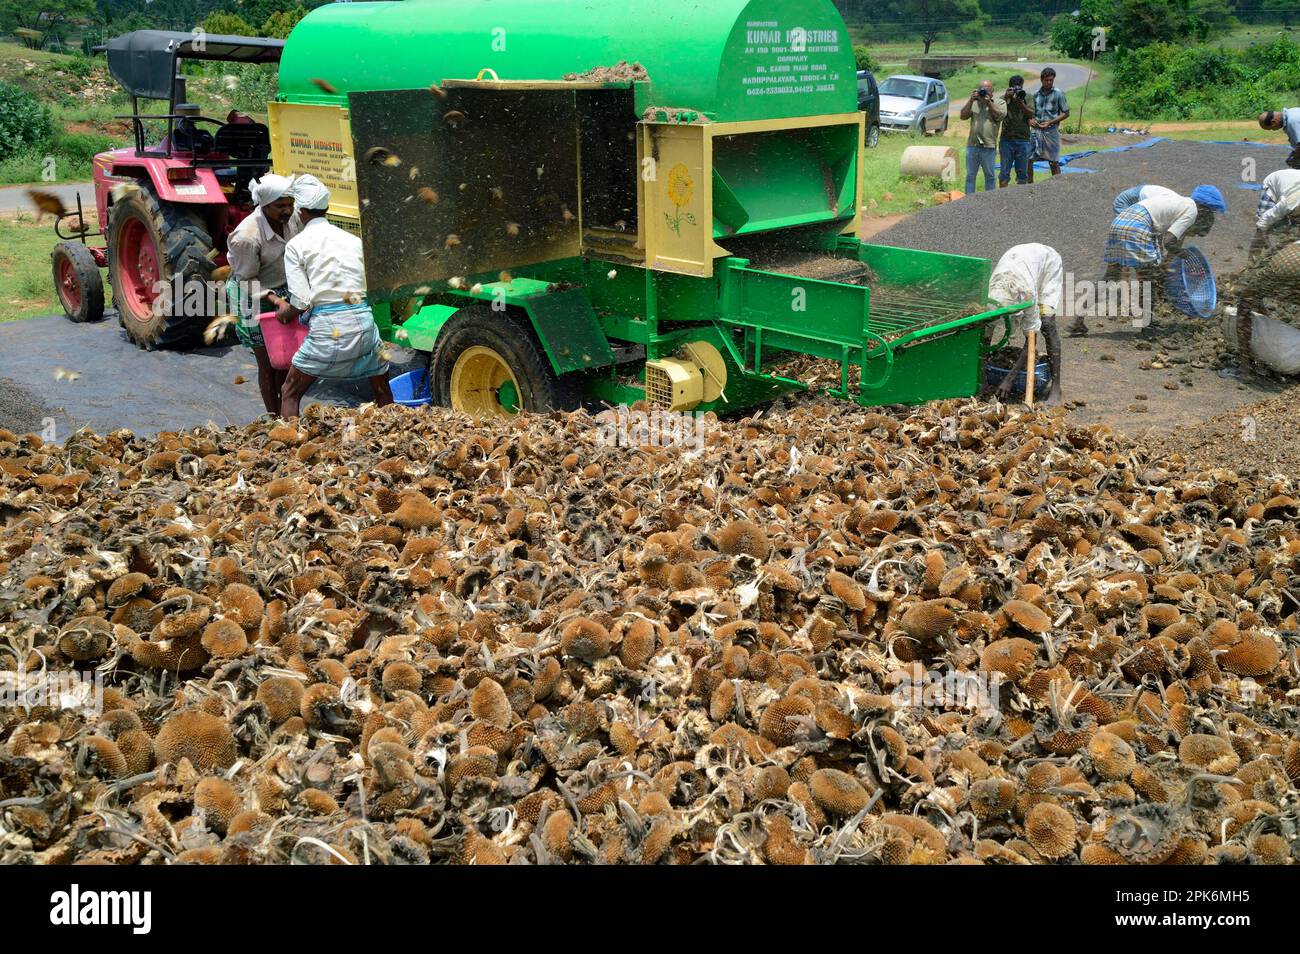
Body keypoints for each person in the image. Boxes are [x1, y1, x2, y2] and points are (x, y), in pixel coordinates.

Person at [271, 175, 394, 417]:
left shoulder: (296, 245)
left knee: (289, 392)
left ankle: (289, 448)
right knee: (381, 390)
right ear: (326, 208)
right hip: (363, 325)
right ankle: (396, 434)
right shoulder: (353, 240)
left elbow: (301, 301)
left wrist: (284, 312)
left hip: (329, 330)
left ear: (300, 211)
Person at [1096, 184, 1226, 336]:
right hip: (1137, 226)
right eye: (1196, 232)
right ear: (1203, 215)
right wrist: (1181, 253)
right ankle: (1147, 328)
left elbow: (1168, 240)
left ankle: (1077, 321)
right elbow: (1169, 242)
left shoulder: (1182, 204)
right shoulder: (1192, 212)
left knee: (1110, 276)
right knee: (1149, 281)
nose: (1193, 234)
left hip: (1120, 222)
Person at [225, 173, 301, 414]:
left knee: (286, 361)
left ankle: (286, 411)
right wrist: (276, 300)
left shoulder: (293, 220)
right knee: (267, 363)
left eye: (290, 204)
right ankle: (274, 416)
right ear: (264, 205)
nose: (287, 210)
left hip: (283, 291)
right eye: (281, 206)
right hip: (253, 297)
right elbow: (246, 279)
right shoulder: (247, 236)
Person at [1224, 168, 1300, 379]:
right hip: (1291, 254)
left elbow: (1262, 229)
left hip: (1288, 262)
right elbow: (1263, 225)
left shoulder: (1290, 203)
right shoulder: (1285, 198)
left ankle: (1245, 369)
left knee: (1245, 302)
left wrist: (1254, 269)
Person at [987, 243, 1064, 406]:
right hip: (1017, 262)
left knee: (1047, 324)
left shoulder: (1026, 295)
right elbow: (984, 340)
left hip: (1047, 264)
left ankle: (1056, 387)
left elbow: (1031, 341)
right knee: (986, 328)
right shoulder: (990, 299)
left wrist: (1009, 379)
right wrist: (982, 381)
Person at [960, 79, 1003, 194]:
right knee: (970, 176)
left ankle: (990, 201)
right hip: (973, 145)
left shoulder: (999, 103)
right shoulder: (974, 103)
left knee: (989, 175)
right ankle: (968, 201)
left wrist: (988, 102)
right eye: (982, 90)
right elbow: (962, 116)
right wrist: (971, 100)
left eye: (988, 89)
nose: (985, 92)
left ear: (992, 91)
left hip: (989, 146)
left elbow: (999, 116)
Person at [1031, 68, 1070, 178]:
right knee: (1029, 159)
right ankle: (1029, 186)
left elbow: (1066, 113)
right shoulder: (1035, 95)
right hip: (1036, 130)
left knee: (1053, 161)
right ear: (1041, 80)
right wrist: (1031, 120)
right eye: (1047, 80)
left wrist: (1050, 122)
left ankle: (1057, 184)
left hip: (1051, 131)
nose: (1049, 82)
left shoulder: (1058, 93)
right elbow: (1030, 113)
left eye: (1051, 80)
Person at [998, 75, 1034, 188]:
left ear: (1023, 86)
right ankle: (1002, 197)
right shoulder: (1004, 98)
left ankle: (1020, 201)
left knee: (1022, 175)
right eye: (1015, 88)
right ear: (1010, 88)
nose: (1017, 90)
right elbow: (997, 112)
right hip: (1006, 140)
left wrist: (1020, 103)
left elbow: (1031, 114)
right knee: (1004, 174)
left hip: (1023, 140)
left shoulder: (1027, 97)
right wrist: (1006, 97)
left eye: (1020, 87)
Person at [1111, 183, 1178, 215]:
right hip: (1125, 201)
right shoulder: (1169, 204)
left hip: (1140, 193)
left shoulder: (1177, 201)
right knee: (1129, 233)